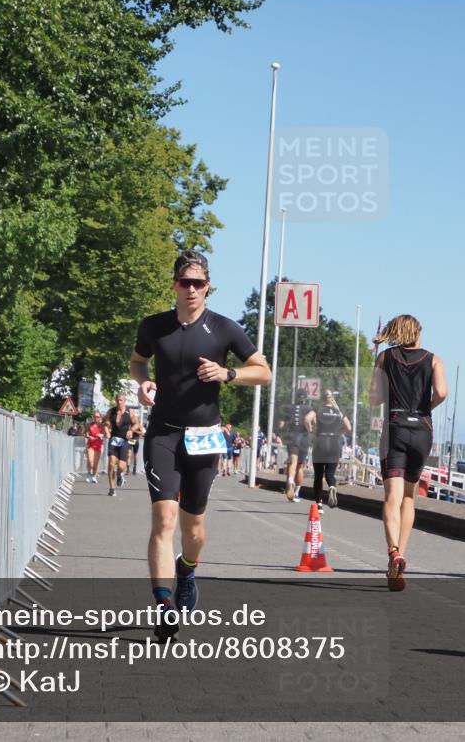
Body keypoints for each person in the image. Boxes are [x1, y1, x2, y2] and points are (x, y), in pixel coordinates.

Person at [130, 250, 270, 640]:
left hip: (204, 437)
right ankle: (163, 605)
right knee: (164, 521)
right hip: (163, 433)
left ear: (208, 287)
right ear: (174, 284)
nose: (191, 289)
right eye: (185, 282)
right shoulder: (154, 326)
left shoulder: (224, 328)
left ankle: (187, 570)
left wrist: (228, 373)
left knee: (194, 530)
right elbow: (138, 361)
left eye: (198, 283)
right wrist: (143, 382)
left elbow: (263, 372)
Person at [369, 315, 448, 591]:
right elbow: (442, 392)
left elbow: (374, 398)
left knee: (392, 497)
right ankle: (400, 555)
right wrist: (426, 407)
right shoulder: (434, 360)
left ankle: (393, 553)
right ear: (416, 333)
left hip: (395, 427)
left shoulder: (385, 358)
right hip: (422, 429)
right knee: (409, 498)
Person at [305, 390, 352, 514]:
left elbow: (307, 419)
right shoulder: (338, 411)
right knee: (330, 473)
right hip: (334, 443)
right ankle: (332, 486)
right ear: (333, 399)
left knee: (318, 475)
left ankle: (319, 505)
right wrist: (338, 433)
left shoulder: (318, 410)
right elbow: (348, 427)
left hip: (320, 442)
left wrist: (311, 431)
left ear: (323, 399)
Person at [279, 388, 312, 502]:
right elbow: (312, 423)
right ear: (305, 398)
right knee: (300, 466)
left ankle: (290, 481)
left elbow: (281, 425)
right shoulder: (309, 409)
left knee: (292, 462)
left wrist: (287, 426)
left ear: (296, 397)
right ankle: (297, 492)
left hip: (292, 437)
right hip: (304, 438)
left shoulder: (288, 408)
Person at [105, 393, 138, 497]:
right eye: (117, 400)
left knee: (121, 466)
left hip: (124, 441)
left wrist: (131, 430)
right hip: (114, 439)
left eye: (121, 400)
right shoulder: (111, 411)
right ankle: (112, 489)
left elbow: (137, 424)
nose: (119, 402)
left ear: (124, 401)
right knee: (111, 463)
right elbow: (105, 421)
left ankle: (119, 475)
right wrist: (107, 427)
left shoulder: (130, 412)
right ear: (115, 401)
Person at [85, 411, 105, 483]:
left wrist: (102, 435)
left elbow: (106, 434)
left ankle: (94, 476)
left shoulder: (102, 426)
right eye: (95, 416)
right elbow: (85, 434)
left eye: (97, 417)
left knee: (96, 463)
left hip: (99, 446)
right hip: (91, 445)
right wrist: (88, 436)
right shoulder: (89, 425)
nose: (96, 418)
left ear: (100, 417)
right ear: (93, 417)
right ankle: (89, 473)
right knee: (90, 461)